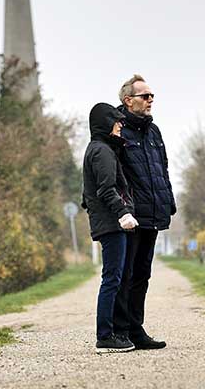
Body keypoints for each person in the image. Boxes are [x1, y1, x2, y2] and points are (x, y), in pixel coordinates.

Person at [113, 74, 175, 350]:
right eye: (145, 96)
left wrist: (168, 202)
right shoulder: (117, 131)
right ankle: (120, 331)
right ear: (128, 101)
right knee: (124, 276)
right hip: (130, 216)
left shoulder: (154, 131)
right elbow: (111, 174)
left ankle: (137, 330)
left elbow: (163, 169)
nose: (151, 100)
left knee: (142, 275)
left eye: (152, 96)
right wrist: (122, 209)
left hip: (153, 212)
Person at [82, 102, 140, 353]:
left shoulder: (99, 149)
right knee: (112, 279)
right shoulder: (102, 151)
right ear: (105, 123)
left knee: (114, 277)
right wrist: (123, 213)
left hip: (108, 222)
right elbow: (105, 189)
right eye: (116, 121)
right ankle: (105, 336)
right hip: (112, 224)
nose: (120, 126)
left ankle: (112, 333)